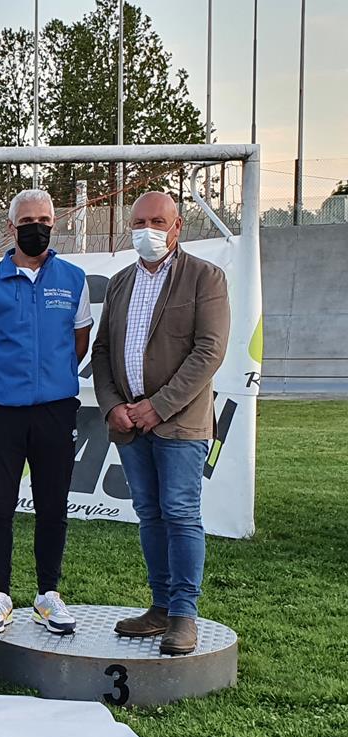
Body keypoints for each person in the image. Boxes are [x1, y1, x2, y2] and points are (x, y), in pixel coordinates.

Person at [91, 191, 230, 655]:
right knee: (149, 513)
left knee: (181, 513)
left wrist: (160, 405)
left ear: (177, 227)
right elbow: (103, 351)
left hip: (180, 423)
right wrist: (112, 405)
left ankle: (184, 614)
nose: (146, 230)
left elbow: (209, 351)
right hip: (129, 423)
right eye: (138, 222)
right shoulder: (120, 283)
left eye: (156, 221)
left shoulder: (205, 278)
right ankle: (160, 606)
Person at [0, 188, 93, 637]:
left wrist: (47, 383)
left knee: (53, 505)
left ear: (55, 224)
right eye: (27, 221)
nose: (37, 228)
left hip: (55, 411)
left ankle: (48, 595)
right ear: (11, 227)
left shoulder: (74, 279)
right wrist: (4, 384)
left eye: (44, 220)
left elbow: (78, 345)